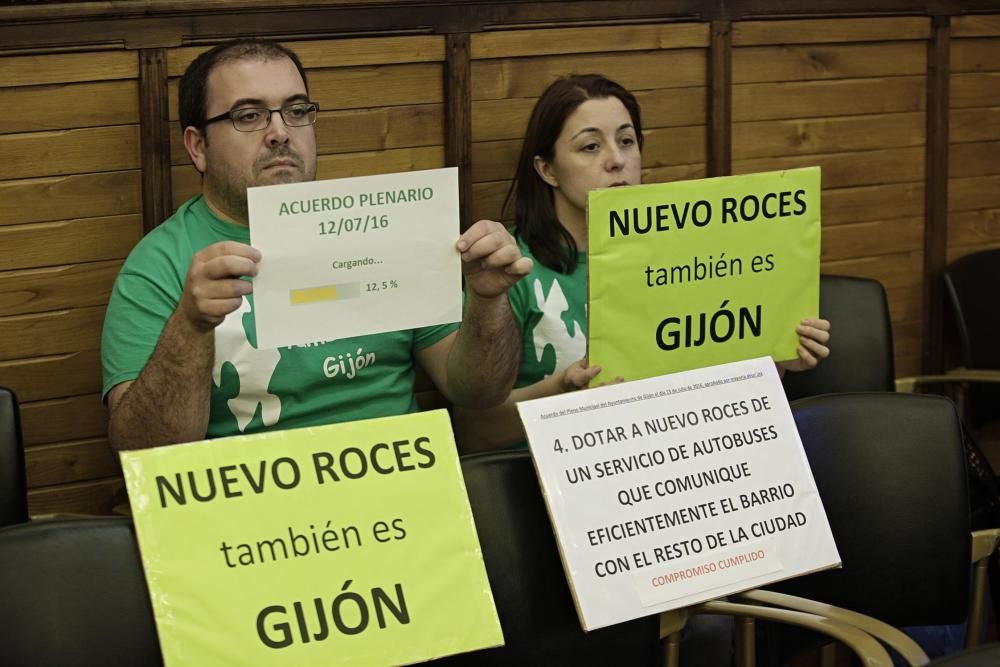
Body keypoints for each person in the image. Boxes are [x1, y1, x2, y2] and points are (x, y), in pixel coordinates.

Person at [101, 38, 531, 450]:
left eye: (296, 110)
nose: (279, 132)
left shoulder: (383, 228)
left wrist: (487, 301)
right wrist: (190, 327)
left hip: (403, 490)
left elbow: (479, 392)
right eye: (248, 116)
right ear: (198, 147)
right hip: (256, 504)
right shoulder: (160, 263)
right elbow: (143, 451)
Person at [452, 74, 830, 452]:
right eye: (590, 147)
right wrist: (561, 393)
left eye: (627, 141)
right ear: (547, 169)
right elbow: (477, 430)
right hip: (558, 473)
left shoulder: (693, 256)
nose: (616, 161)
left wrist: (777, 361)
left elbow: (717, 397)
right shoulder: (510, 266)